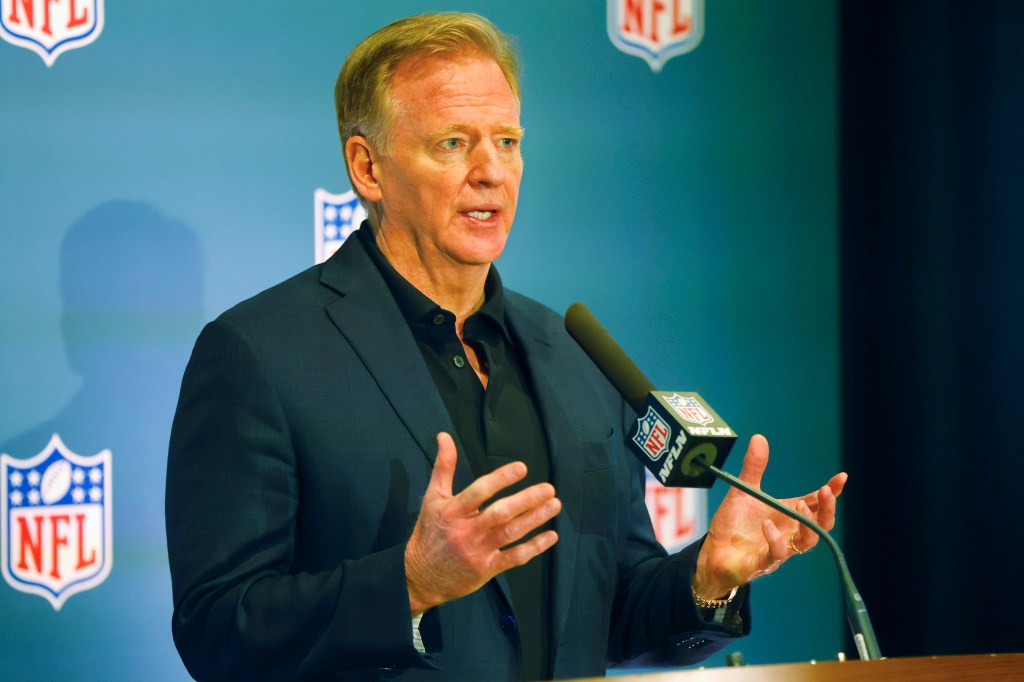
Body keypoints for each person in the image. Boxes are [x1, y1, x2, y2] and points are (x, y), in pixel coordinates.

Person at [165, 12, 845, 681]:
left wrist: (707, 578)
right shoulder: (261, 354)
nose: (491, 171)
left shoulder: (574, 357)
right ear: (368, 168)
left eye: (508, 141)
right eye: (453, 143)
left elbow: (609, 618)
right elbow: (218, 630)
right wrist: (410, 584)